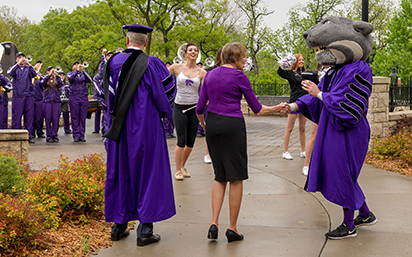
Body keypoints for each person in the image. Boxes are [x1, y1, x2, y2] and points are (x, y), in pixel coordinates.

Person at [288, 16, 378, 240]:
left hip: (349, 128)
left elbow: (347, 103)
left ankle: (349, 225)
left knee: (343, 174)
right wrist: (292, 106)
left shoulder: (360, 68)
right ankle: (365, 214)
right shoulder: (334, 70)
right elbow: (317, 99)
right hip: (334, 127)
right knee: (344, 173)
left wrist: (318, 92)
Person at [196, 42, 287, 243]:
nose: (246, 60)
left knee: (220, 176)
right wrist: (277, 107)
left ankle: (213, 223)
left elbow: (199, 108)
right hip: (233, 125)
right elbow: (257, 109)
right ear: (235, 58)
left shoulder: (209, 75)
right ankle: (232, 228)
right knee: (236, 177)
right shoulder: (240, 77)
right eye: (244, 57)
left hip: (214, 124)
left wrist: (204, 126)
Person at [102, 23, 176, 247]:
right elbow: (167, 93)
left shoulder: (111, 62)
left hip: (119, 127)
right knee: (148, 173)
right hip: (146, 128)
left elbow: (105, 95)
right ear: (145, 43)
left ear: (127, 41)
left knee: (120, 171)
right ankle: (144, 230)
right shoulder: (151, 63)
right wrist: (166, 114)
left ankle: (118, 226)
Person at [168, 43, 207, 180]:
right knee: (181, 140)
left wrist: (207, 99)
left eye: (196, 50)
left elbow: (207, 89)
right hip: (179, 107)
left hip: (193, 109)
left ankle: (183, 165)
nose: (193, 52)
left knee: (190, 142)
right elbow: (161, 78)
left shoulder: (202, 72)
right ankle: (177, 170)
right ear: (185, 54)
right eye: (190, 50)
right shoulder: (176, 67)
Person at [277, 54, 318, 160]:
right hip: (294, 103)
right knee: (289, 128)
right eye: (300, 60)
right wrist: (284, 63)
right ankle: (285, 151)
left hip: (304, 104)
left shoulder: (306, 73)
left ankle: (303, 151)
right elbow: (280, 72)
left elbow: (317, 78)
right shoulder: (291, 73)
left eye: (303, 60)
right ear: (295, 61)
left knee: (302, 128)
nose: (302, 61)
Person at [7, 52, 38, 143]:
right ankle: (15, 136)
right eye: (19, 57)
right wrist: (18, 64)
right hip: (18, 96)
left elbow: (34, 74)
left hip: (28, 95)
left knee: (29, 117)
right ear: (16, 59)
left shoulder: (28, 68)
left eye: (23, 57)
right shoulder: (14, 68)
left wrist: (29, 65)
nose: (22, 59)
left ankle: (28, 136)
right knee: (17, 116)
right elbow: (9, 72)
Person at [67, 61, 92, 142]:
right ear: (73, 67)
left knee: (83, 117)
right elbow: (70, 79)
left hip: (83, 97)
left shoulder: (83, 74)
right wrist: (76, 71)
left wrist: (84, 71)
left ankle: (82, 135)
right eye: (75, 65)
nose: (77, 66)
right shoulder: (70, 73)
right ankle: (76, 135)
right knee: (75, 117)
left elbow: (89, 80)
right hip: (74, 96)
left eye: (78, 64)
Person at [93, 49, 113, 134]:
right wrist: (103, 55)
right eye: (108, 56)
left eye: (112, 55)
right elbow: (101, 72)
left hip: (113, 94)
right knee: (105, 115)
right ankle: (105, 132)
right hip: (104, 94)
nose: (110, 57)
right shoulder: (102, 69)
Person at [40, 66, 63, 143]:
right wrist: (48, 75)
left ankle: (55, 135)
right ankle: (49, 136)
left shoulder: (56, 79)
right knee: (48, 119)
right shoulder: (45, 79)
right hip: (47, 102)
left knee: (56, 119)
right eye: (49, 70)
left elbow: (61, 84)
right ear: (46, 72)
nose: (51, 72)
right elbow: (42, 83)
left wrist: (57, 75)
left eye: (52, 70)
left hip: (56, 102)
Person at [32, 60, 46, 139]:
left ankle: (40, 132)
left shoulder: (42, 77)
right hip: (31, 98)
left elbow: (44, 84)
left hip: (39, 99)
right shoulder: (30, 75)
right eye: (37, 65)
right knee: (31, 117)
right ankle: (32, 132)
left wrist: (39, 76)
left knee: (40, 117)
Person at [162, 61, 175, 138]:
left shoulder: (174, 76)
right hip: (166, 98)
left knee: (172, 116)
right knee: (166, 116)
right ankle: (166, 131)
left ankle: (171, 131)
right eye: (166, 66)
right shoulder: (163, 77)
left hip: (174, 97)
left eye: (169, 66)